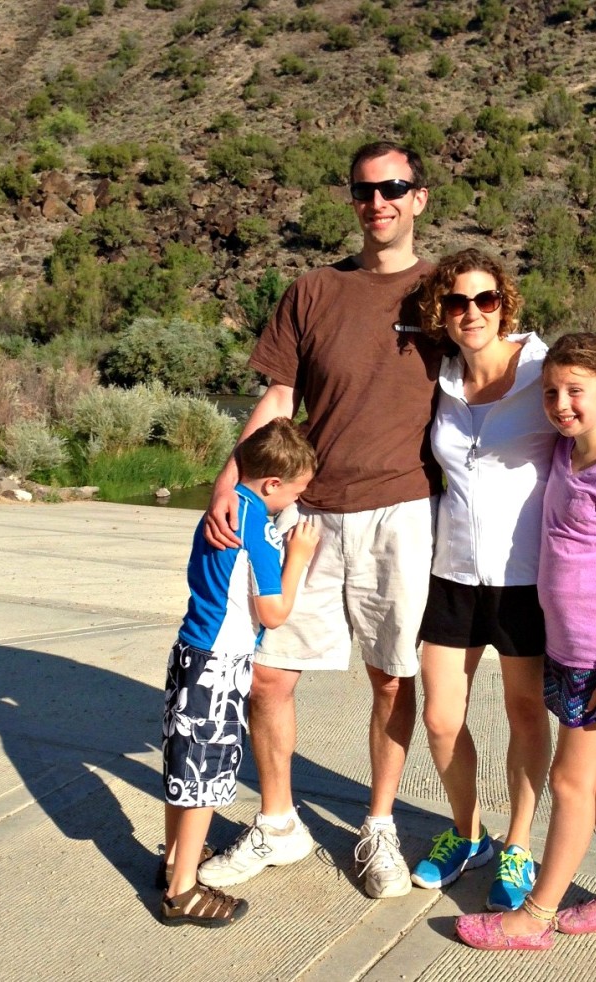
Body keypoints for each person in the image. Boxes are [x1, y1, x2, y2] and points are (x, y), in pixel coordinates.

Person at [195, 141, 442, 900]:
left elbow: (516, 371)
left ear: (419, 198)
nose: (379, 203)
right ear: (352, 200)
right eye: (366, 191)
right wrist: (227, 484)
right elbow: (277, 403)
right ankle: (278, 825)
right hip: (309, 517)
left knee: (392, 680)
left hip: (403, 511)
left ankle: (378, 827)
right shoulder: (312, 291)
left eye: (394, 188)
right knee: (268, 679)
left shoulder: (446, 293)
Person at [407, 251, 596, 913]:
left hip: (526, 583)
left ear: (505, 303)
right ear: (443, 311)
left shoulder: (538, 369)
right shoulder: (438, 374)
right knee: (440, 719)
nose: (472, 313)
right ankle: (468, 833)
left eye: (485, 299)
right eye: (458, 302)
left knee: (524, 715)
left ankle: (518, 841)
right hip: (453, 574)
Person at [455, 332, 596, 950]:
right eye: (551, 391)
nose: (562, 402)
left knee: (571, 782)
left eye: (577, 390)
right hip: (572, 652)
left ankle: (534, 915)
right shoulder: (565, 451)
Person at [159, 418, 319, 927]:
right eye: (297, 489)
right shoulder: (258, 532)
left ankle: (173, 861)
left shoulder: (224, 509)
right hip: (221, 664)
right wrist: (298, 556)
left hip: (190, 649)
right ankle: (182, 892)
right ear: (273, 484)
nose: (298, 498)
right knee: (206, 777)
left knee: (182, 764)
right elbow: (272, 613)